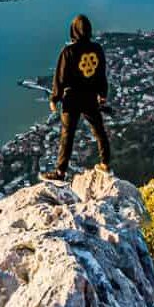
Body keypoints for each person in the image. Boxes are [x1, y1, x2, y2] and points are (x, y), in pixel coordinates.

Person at [41, 13, 112, 181]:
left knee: (67, 135)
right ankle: (105, 163)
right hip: (90, 98)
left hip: (71, 99)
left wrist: (54, 98)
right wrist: (102, 95)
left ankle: (60, 173)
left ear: (73, 30)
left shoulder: (68, 52)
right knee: (99, 131)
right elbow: (101, 75)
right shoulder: (97, 49)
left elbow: (60, 77)